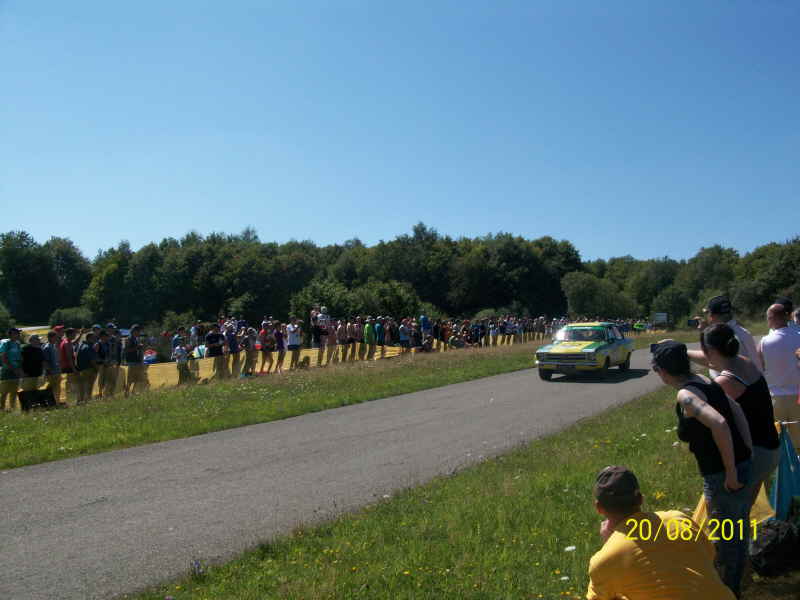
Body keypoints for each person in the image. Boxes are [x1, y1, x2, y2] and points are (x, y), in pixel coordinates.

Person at [651, 341, 752, 598]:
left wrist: (729, 472)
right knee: (737, 531)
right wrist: (746, 451)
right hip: (741, 465)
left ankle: (728, 592)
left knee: (725, 538)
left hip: (721, 475)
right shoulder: (704, 381)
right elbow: (736, 410)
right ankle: (737, 587)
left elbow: (719, 423)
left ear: (663, 371)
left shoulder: (686, 395)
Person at [586, 466, 735, 600]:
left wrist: (608, 545)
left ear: (599, 508)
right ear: (641, 499)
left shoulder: (604, 560)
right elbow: (710, 556)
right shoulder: (679, 519)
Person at [684, 324, 780, 507]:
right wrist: (685, 351)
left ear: (710, 350)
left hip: (756, 454)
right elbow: (711, 360)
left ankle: (740, 535)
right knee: (744, 506)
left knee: (734, 509)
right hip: (770, 449)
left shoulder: (726, 382)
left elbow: (710, 417)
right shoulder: (744, 362)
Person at [758, 303, 800, 452]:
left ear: (771, 318)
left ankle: (784, 471)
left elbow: (760, 367)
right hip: (798, 395)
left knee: (780, 442)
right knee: (798, 442)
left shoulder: (765, 341)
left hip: (775, 397)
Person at [700, 296, 760, 377]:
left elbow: (710, 360)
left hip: (730, 385)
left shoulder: (719, 336)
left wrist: (704, 333)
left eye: (707, 313)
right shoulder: (744, 332)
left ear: (712, 316)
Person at [0, 328, 23, 411]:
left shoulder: (17, 344)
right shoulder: (5, 343)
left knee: (14, 391)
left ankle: (12, 408)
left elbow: (20, 358)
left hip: (16, 371)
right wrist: (13, 369)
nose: (18, 334)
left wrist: (19, 369)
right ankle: (2, 409)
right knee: (4, 392)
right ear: (11, 334)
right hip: (7, 371)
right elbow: (3, 358)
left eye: (18, 333)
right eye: (16, 333)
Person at [123, 325, 148, 396]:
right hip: (132, 361)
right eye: (138, 331)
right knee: (130, 379)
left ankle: (133, 392)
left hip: (138, 361)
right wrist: (137, 347)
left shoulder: (136, 339)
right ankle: (126, 393)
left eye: (139, 331)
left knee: (138, 378)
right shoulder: (128, 339)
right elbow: (126, 350)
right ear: (133, 331)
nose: (139, 332)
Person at [75, 332, 99, 404]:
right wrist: (96, 369)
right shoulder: (89, 347)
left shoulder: (80, 345)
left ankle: (80, 400)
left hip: (81, 369)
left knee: (81, 387)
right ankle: (88, 400)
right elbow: (92, 360)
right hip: (89, 369)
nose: (95, 339)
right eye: (94, 338)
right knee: (89, 386)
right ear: (89, 338)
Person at [42, 330, 63, 405]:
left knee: (57, 387)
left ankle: (57, 402)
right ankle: (51, 403)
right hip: (52, 373)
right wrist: (49, 371)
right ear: (50, 337)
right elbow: (45, 361)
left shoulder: (53, 346)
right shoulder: (47, 347)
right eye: (55, 337)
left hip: (57, 371)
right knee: (51, 388)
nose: (57, 338)